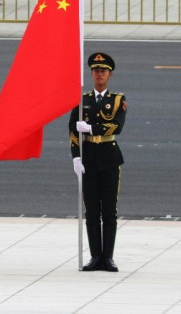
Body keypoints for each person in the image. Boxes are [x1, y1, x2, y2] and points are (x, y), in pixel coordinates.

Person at [69, 52, 127, 272]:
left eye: (103, 71)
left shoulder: (118, 100)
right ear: (92, 74)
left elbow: (117, 127)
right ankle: (95, 256)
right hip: (89, 158)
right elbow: (73, 130)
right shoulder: (81, 99)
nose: (99, 74)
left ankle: (108, 257)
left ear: (109, 74)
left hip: (109, 157)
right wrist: (75, 155)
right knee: (92, 210)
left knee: (109, 211)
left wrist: (93, 128)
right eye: (95, 71)